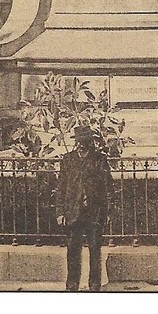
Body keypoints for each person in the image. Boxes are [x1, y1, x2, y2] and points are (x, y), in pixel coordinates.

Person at [55, 125, 113, 292]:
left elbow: (108, 186)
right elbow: (61, 187)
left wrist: (108, 211)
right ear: (76, 142)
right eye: (79, 141)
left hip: (94, 212)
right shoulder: (68, 159)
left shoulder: (99, 159)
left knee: (95, 250)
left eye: (85, 141)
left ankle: (94, 284)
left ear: (90, 142)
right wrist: (60, 211)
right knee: (73, 250)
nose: (82, 145)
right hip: (73, 212)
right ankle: (72, 283)